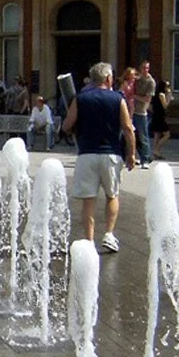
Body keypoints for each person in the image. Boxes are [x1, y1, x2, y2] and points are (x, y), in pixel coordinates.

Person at [62, 61, 136, 252]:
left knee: (89, 200)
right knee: (112, 195)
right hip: (111, 153)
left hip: (87, 153)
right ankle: (109, 234)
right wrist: (131, 154)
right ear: (108, 78)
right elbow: (128, 128)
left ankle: (89, 240)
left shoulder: (80, 99)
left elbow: (67, 125)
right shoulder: (117, 99)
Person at [132, 61, 155, 168]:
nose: (145, 70)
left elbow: (147, 99)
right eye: (143, 68)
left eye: (147, 68)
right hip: (132, 110)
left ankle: (145, 159)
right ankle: (134, 157)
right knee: (132, 135)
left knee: (143, 136)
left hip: (142, 112)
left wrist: (134, 96)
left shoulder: (151, 82)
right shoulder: (137, 80)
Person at [150, 78, 172, 160]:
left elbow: (149, 106)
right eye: (167, 86)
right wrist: (169, 97)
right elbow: (165, 105)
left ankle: (156, 153)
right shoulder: (162, 95)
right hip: (160, 117)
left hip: (156, 115)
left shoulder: (155, 94)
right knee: (167, 134)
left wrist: (154, 111)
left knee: (157, 135)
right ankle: (156, 150)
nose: (168, 88)